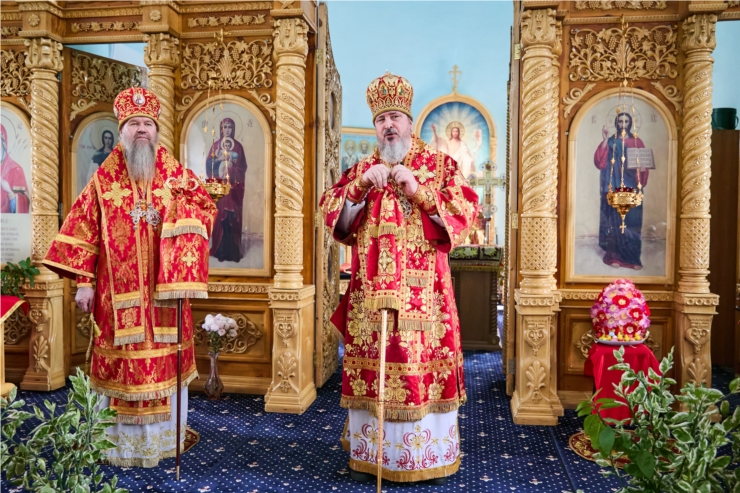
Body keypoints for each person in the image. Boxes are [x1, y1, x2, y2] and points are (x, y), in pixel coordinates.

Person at [43, 87, 216, 467]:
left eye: (147, 124)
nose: (141, 130)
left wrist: (186, 214)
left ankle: (163, 439)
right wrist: (84, 283)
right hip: (115, 298)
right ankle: (118, 445)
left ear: (156, 131)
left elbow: (205, 208)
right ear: (122, 130)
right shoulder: (103, 179)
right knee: (121, 363)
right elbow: (83, 229)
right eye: (134, 124)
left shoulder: (175, 174)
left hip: (166, 296)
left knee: (165, 361)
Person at [320, 73, 478, 485]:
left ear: (409, 121)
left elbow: (465, 211)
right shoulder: (362, 169)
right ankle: (372, 454)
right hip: (369, 298)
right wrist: (356, 190)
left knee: (420, 372)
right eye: (380, 119)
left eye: (395, 117)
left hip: (425, 299)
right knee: (372, 372)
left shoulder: (439, 166)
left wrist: (419, 191)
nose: (388, 125)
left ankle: (424, 456)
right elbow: (333, 215)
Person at [593, 111, 649, 270]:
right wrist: (605, 140)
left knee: (632, 223)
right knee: (614, 222)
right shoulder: (611, 141)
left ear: (630, 124)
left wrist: (642, 169)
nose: (623, 124)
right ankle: (614, 257)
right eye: (620, 121)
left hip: (631, 187)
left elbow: (643, 165)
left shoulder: (636, 142)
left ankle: (633, 259)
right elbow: (600, 162)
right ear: (616, 123)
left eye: (626, 121)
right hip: (614, 187)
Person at [206, 118, 248, 263]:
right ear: (221, 129)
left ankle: (234, 252)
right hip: (220, 190)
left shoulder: (238, 147)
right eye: (225, 127)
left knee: (232, 219)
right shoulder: (215, 146)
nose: (227, 130)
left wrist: (231, 169)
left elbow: (242, 168)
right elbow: (209, 166)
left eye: (230, 127)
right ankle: (220, 251)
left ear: (233, 129)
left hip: (234, 190)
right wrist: (218, 161)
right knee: (221, 218)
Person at [1, 123, 30, 213]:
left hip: (9, 221)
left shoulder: (16, 170)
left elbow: (25, 201)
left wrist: (10, 192)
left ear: (4, 143)